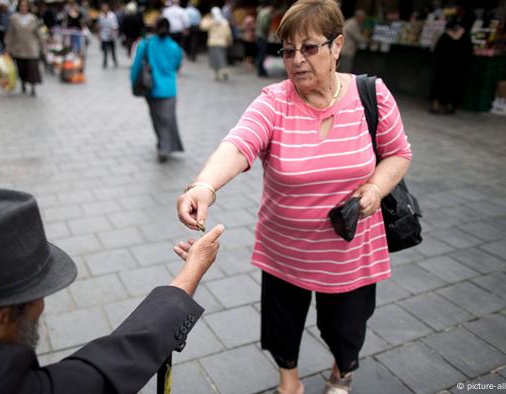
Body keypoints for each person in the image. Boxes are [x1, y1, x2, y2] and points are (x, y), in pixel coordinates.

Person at [176, 1, 412, 393]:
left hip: (350, 251)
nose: (297, 60)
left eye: (310, 48)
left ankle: (342, 373)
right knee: (282, 326)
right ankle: (290, 382)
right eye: (288, 50)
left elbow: (398, 153)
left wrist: (374, 188)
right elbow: (239, 144)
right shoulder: (274, 101)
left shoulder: (373, 94)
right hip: (286, 249)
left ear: (337, 46)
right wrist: (205, 185)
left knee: (345, 329)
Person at [0, 187, 225, 394]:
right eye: (35, 297)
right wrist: (193, 270)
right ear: (1, 320)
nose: (41, 307)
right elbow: (104, 372)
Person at [130, 18, 184, 163]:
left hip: (151, 89)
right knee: (167, 119)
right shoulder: (175, 47)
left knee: (156, 118)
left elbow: (136, 66)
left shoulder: (146, 44)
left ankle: (162, 145)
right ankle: (164, 147)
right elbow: (178, 66)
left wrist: (133, 83)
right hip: (169, 90)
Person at [429, 19, 472, 114]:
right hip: (458, 68)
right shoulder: (465, 37)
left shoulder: (445, 36)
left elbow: (437, 51)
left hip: (444, 68)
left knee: (439, 87)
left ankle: (435, 106)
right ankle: (451, 106)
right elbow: (469, 53)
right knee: (454, 87)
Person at [5, 0, 42, 96]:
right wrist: (8, 47)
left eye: (25, 6)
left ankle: (33, 87)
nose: (23, 8)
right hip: (18, 48)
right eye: (22, 6)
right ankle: (23, 83)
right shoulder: (14, 18)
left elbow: (38, 34)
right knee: (22, 69)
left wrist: (42, 46)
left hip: (32, 48)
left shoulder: (33, 18)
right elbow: (10, 34)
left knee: (33, 68)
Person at [199, 7, 232, 81]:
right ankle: (224, 69)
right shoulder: (224, 22)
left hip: (212, 42)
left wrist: (206, 18)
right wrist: (229, 41)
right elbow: (228, 33)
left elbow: (202, 26)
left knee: (214, 59)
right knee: (222, 57)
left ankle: (216, 74)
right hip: (222, 43)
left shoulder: (211, 22)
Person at [254, 0, 273, 77]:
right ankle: (261, 71)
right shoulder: (267, 13)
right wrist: (268, 31)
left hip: (258, 35)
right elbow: (264, 25)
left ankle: (259, 69)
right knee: (262, 54)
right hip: (263, 36)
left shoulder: (260, 12)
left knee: (259, 53)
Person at [97, 2, 118, 68]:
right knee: (105, 50)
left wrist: (112, 32)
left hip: (111, 36)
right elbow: (100, 26)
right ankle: (105, 62)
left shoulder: (112, 15)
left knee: (112, 50)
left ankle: (114, 60)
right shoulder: (101, 16)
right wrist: (99, 34)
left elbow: (115, 26)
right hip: (104, 35)